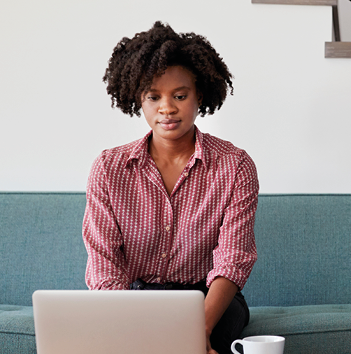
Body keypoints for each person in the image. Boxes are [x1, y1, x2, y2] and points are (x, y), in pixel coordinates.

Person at [83, 21, 258, 354]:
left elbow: (234, 258)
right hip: (136, 298)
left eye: (180, 95)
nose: (167, 108)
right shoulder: (108, 169)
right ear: (138, 98)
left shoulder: (235, 166)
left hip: (211, 299)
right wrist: (124, 322)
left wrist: (198, 328)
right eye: (154, 96)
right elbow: (104, 263)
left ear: (200, 95)